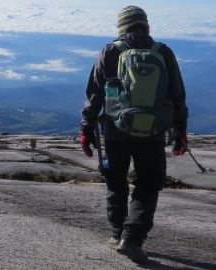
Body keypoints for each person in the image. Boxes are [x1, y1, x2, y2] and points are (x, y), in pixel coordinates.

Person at [80, 5, 188, 263]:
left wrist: (86, 129)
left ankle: (118, 235)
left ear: (122, 27)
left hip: (115, 130)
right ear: (145, 25)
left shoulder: (110, 51)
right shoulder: (163, 52)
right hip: (151, 132)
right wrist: (181, 132)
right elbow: (177, 95)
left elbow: (94, 94)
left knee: (115, 183)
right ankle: (133, 238)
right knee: (148, 184)